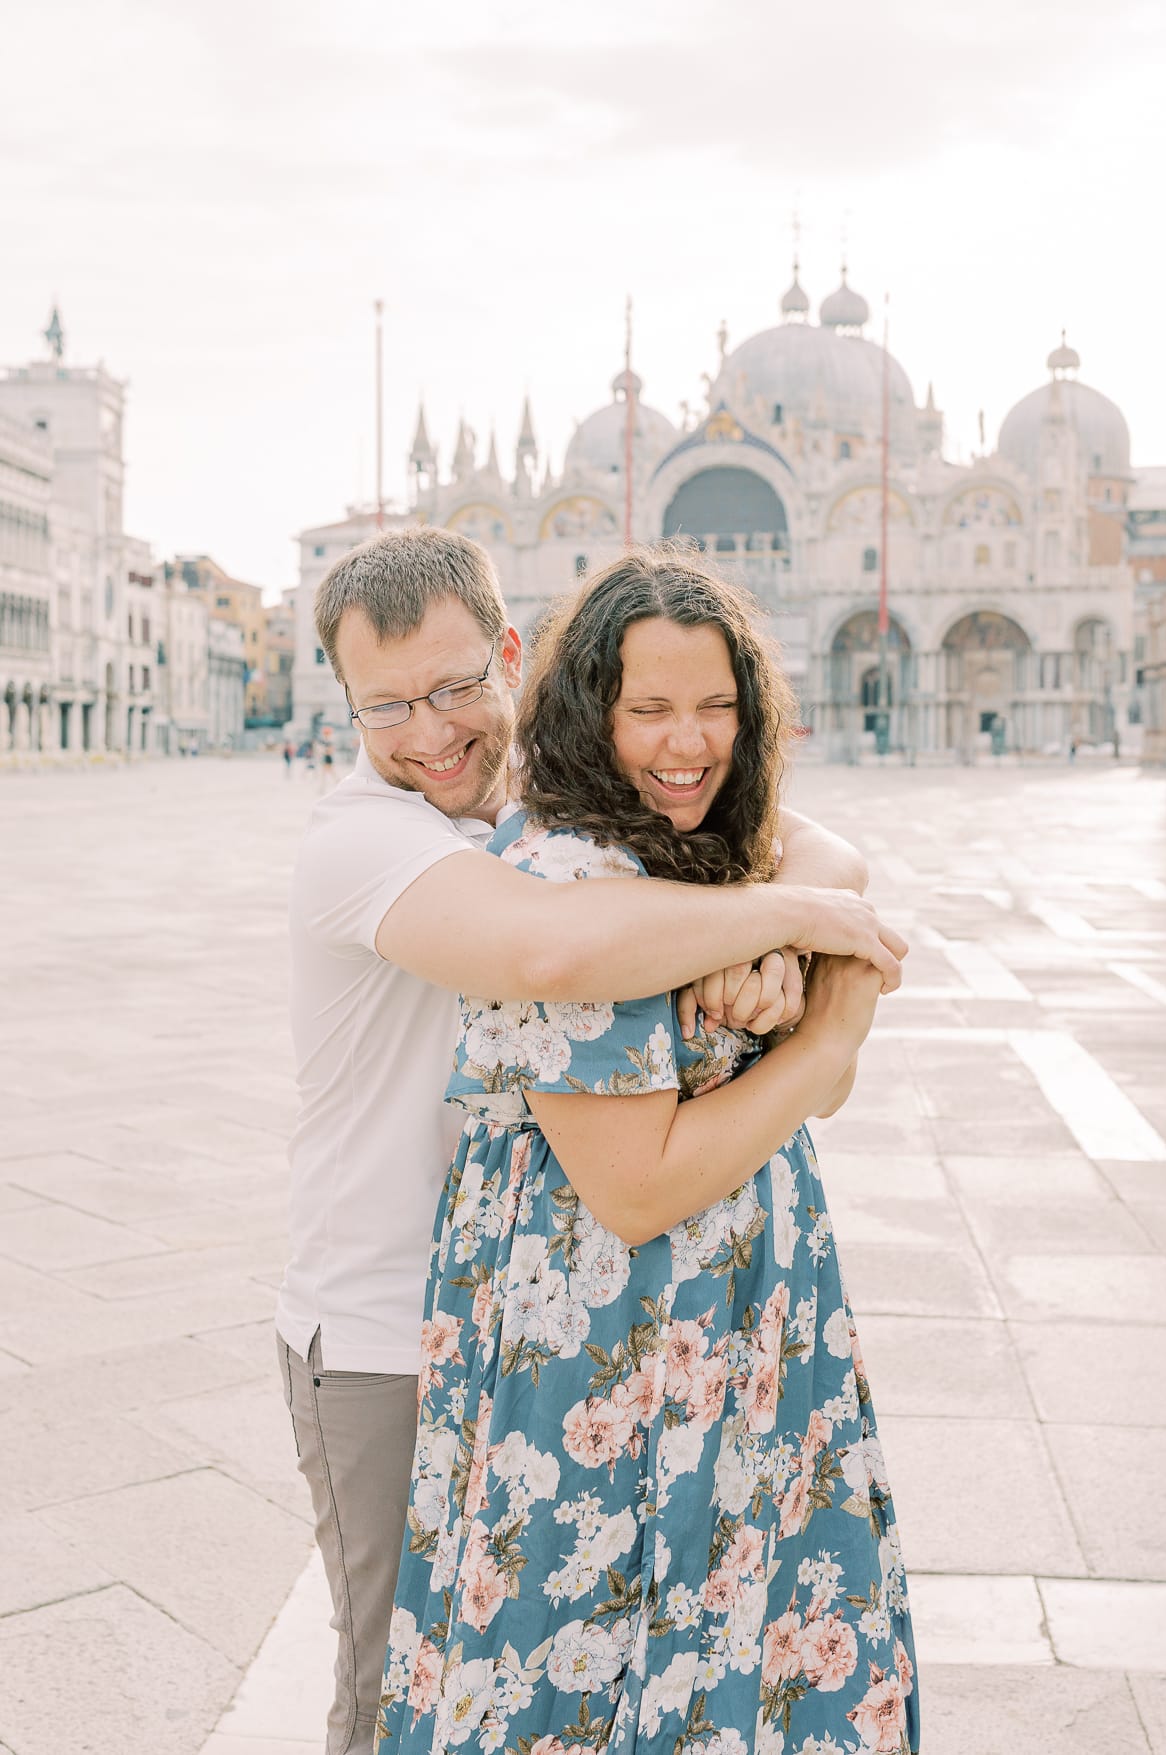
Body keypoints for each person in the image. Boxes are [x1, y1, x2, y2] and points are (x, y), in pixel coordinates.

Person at [277, 528, 907, 1755]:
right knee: (402, 1688)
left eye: (459, 687)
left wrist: (777, 936)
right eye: (387, 704)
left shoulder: (570, 794)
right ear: (345, 706)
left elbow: (812, 840)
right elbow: (556, 949)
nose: (431, 732)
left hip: (552, 1327)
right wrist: (807, 961)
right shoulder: (366, 839)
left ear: (514, 659)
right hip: (383, 1332)